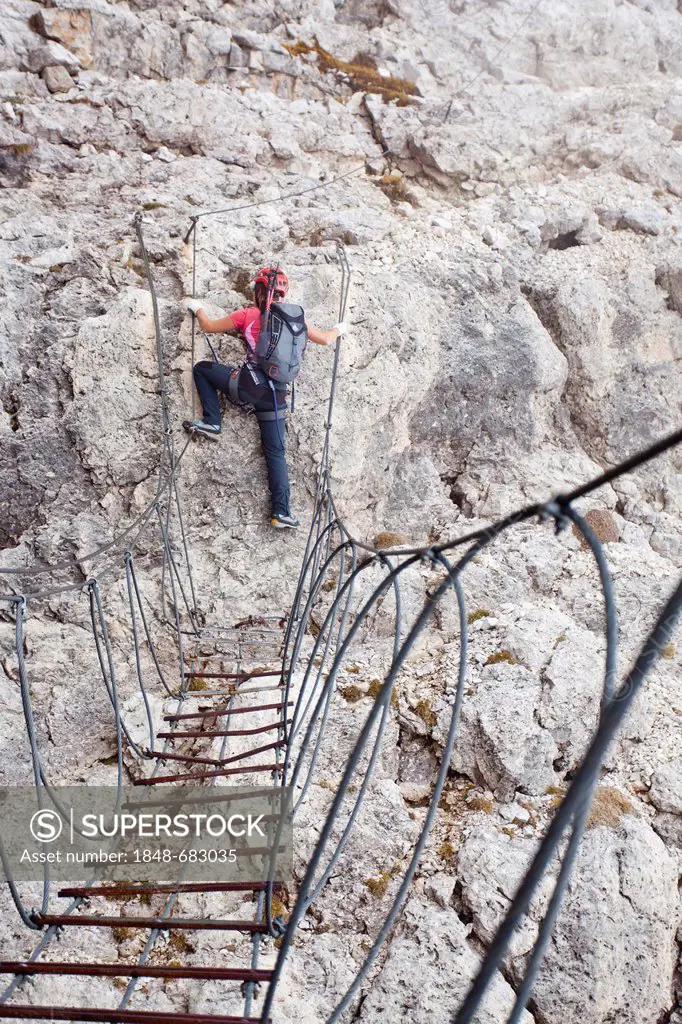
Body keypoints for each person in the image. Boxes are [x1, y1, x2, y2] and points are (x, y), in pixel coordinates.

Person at [183, 266, 345, 530]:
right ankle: (281, 513)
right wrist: (339, 328)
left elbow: (209, 326)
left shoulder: (248, 314)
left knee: (202, 369)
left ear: (259, 292)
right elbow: (326, 340)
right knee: (276, 454)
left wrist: (197, 307)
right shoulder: (296, 322)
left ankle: (212, 421)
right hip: (276, 396)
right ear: (283, 293)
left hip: (247, 386)